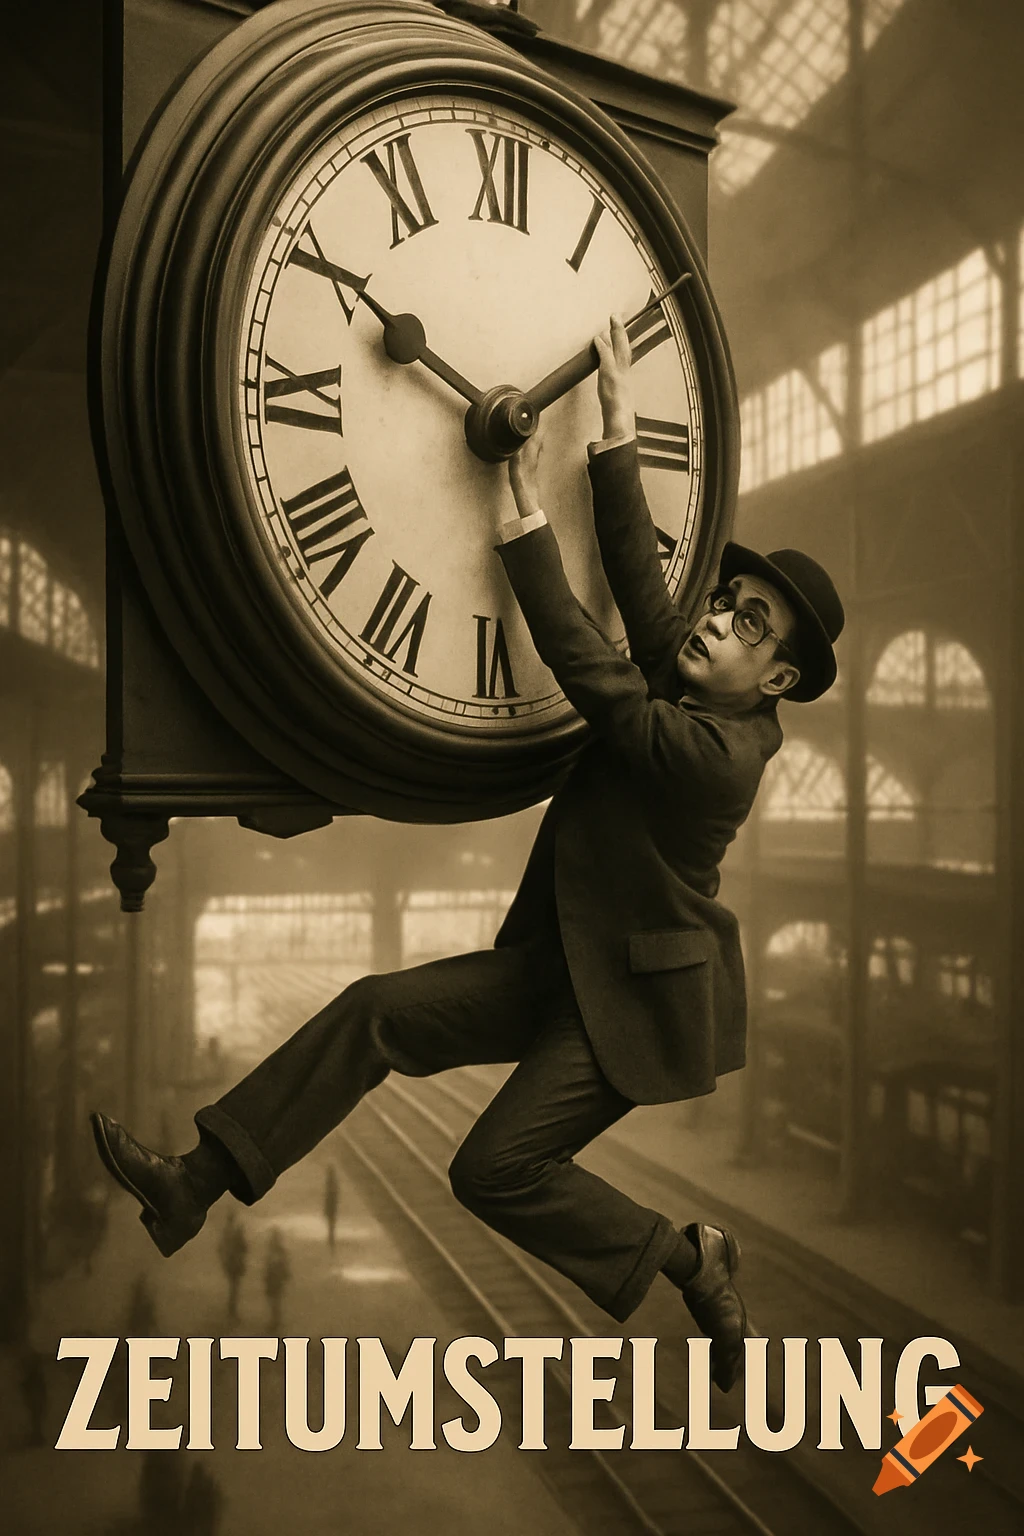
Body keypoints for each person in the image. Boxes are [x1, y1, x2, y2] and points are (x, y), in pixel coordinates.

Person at [90, 315, 844, 1394]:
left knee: (491, 1170)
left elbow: (604, 680)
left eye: (750, 624)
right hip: (565, 957)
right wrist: (616, 433)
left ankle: (691, 1256)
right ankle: (193, 1180)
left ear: (775, 682)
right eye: (728, 601)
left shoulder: (717, 754)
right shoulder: (699, 687)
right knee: (372, 1008)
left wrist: (523, 511)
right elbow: (643, 597)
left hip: (625, 1004)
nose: (719, 620)